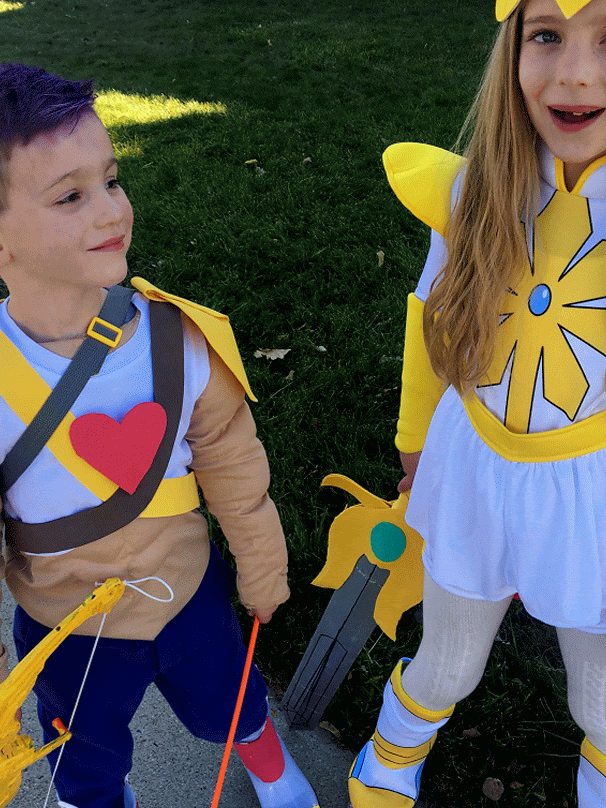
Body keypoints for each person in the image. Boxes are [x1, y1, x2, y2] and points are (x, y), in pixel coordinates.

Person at [0, 63, 320, 808]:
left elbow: (233, 460)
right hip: (64, 626)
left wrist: (262, 563)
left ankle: (267, 762)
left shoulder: (176, 339)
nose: (113, 210)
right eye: (71, 196)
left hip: (186, 595)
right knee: (82, 754)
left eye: (112, 180)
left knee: (230, 702)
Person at [348, 1, 606, 806]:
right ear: (512, 48)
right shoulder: (472, 191)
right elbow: (433, 321)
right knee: (449, 662)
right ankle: (389, 758)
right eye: (547, 36)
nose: (575, 74)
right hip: (475, 468)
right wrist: (414, 444)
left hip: (595, 493)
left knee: (603, 700)